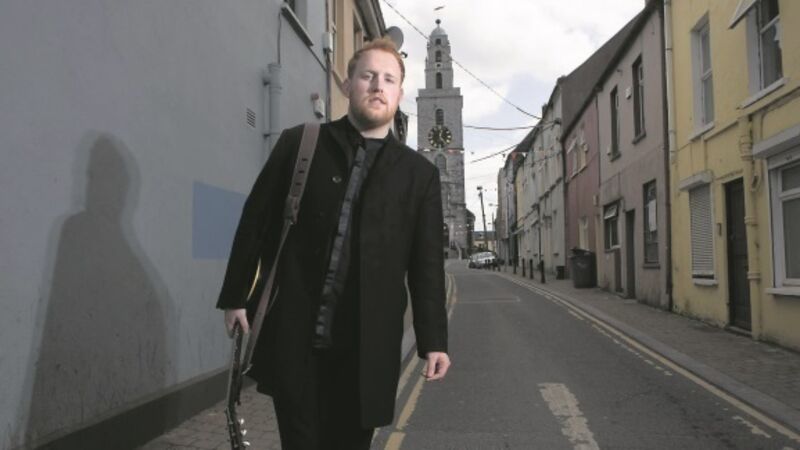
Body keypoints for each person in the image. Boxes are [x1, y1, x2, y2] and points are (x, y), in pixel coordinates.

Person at [216, 37, 450, 449]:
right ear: (347, 85)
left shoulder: (419, 175)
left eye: (389, 79)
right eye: (368, 75)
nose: (377, 85)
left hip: (367, 348)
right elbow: (256, 221)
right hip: (297, 338)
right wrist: (236, 296)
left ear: (399, 94)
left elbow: (426, 265)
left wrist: (433, 341)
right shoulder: (300, 144)